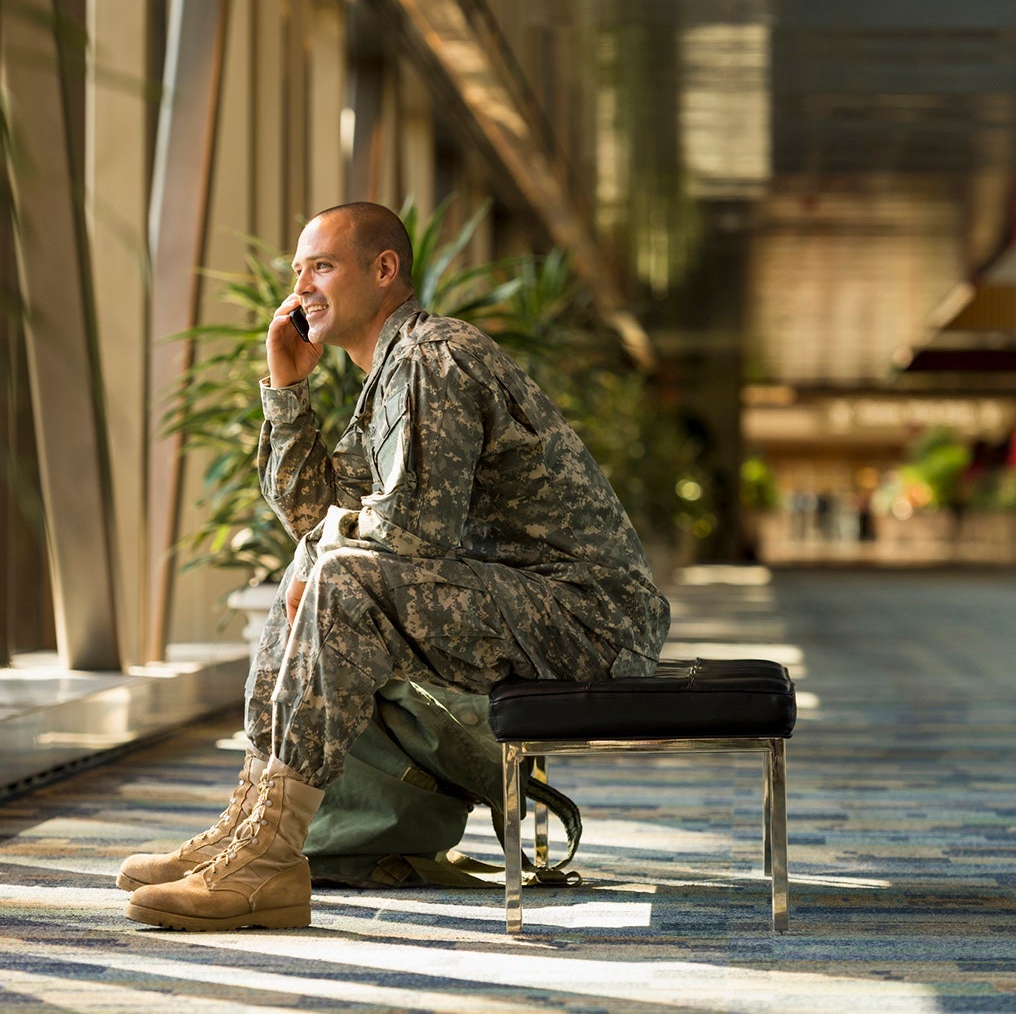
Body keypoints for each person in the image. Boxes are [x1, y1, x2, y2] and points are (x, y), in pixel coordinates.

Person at [115, 201, 670, 931]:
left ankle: (270, 858)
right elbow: (314, 512)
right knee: (315, 561)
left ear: (384, 271)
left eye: (323, 266)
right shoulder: (391, 375)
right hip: (533, 605)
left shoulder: (433, 357)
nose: (302, 285)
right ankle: (249, 828)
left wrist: (326, 553)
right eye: (298, 270)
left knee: (338, 575)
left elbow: (412, 533)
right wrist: (286, 389)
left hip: (590, 617)